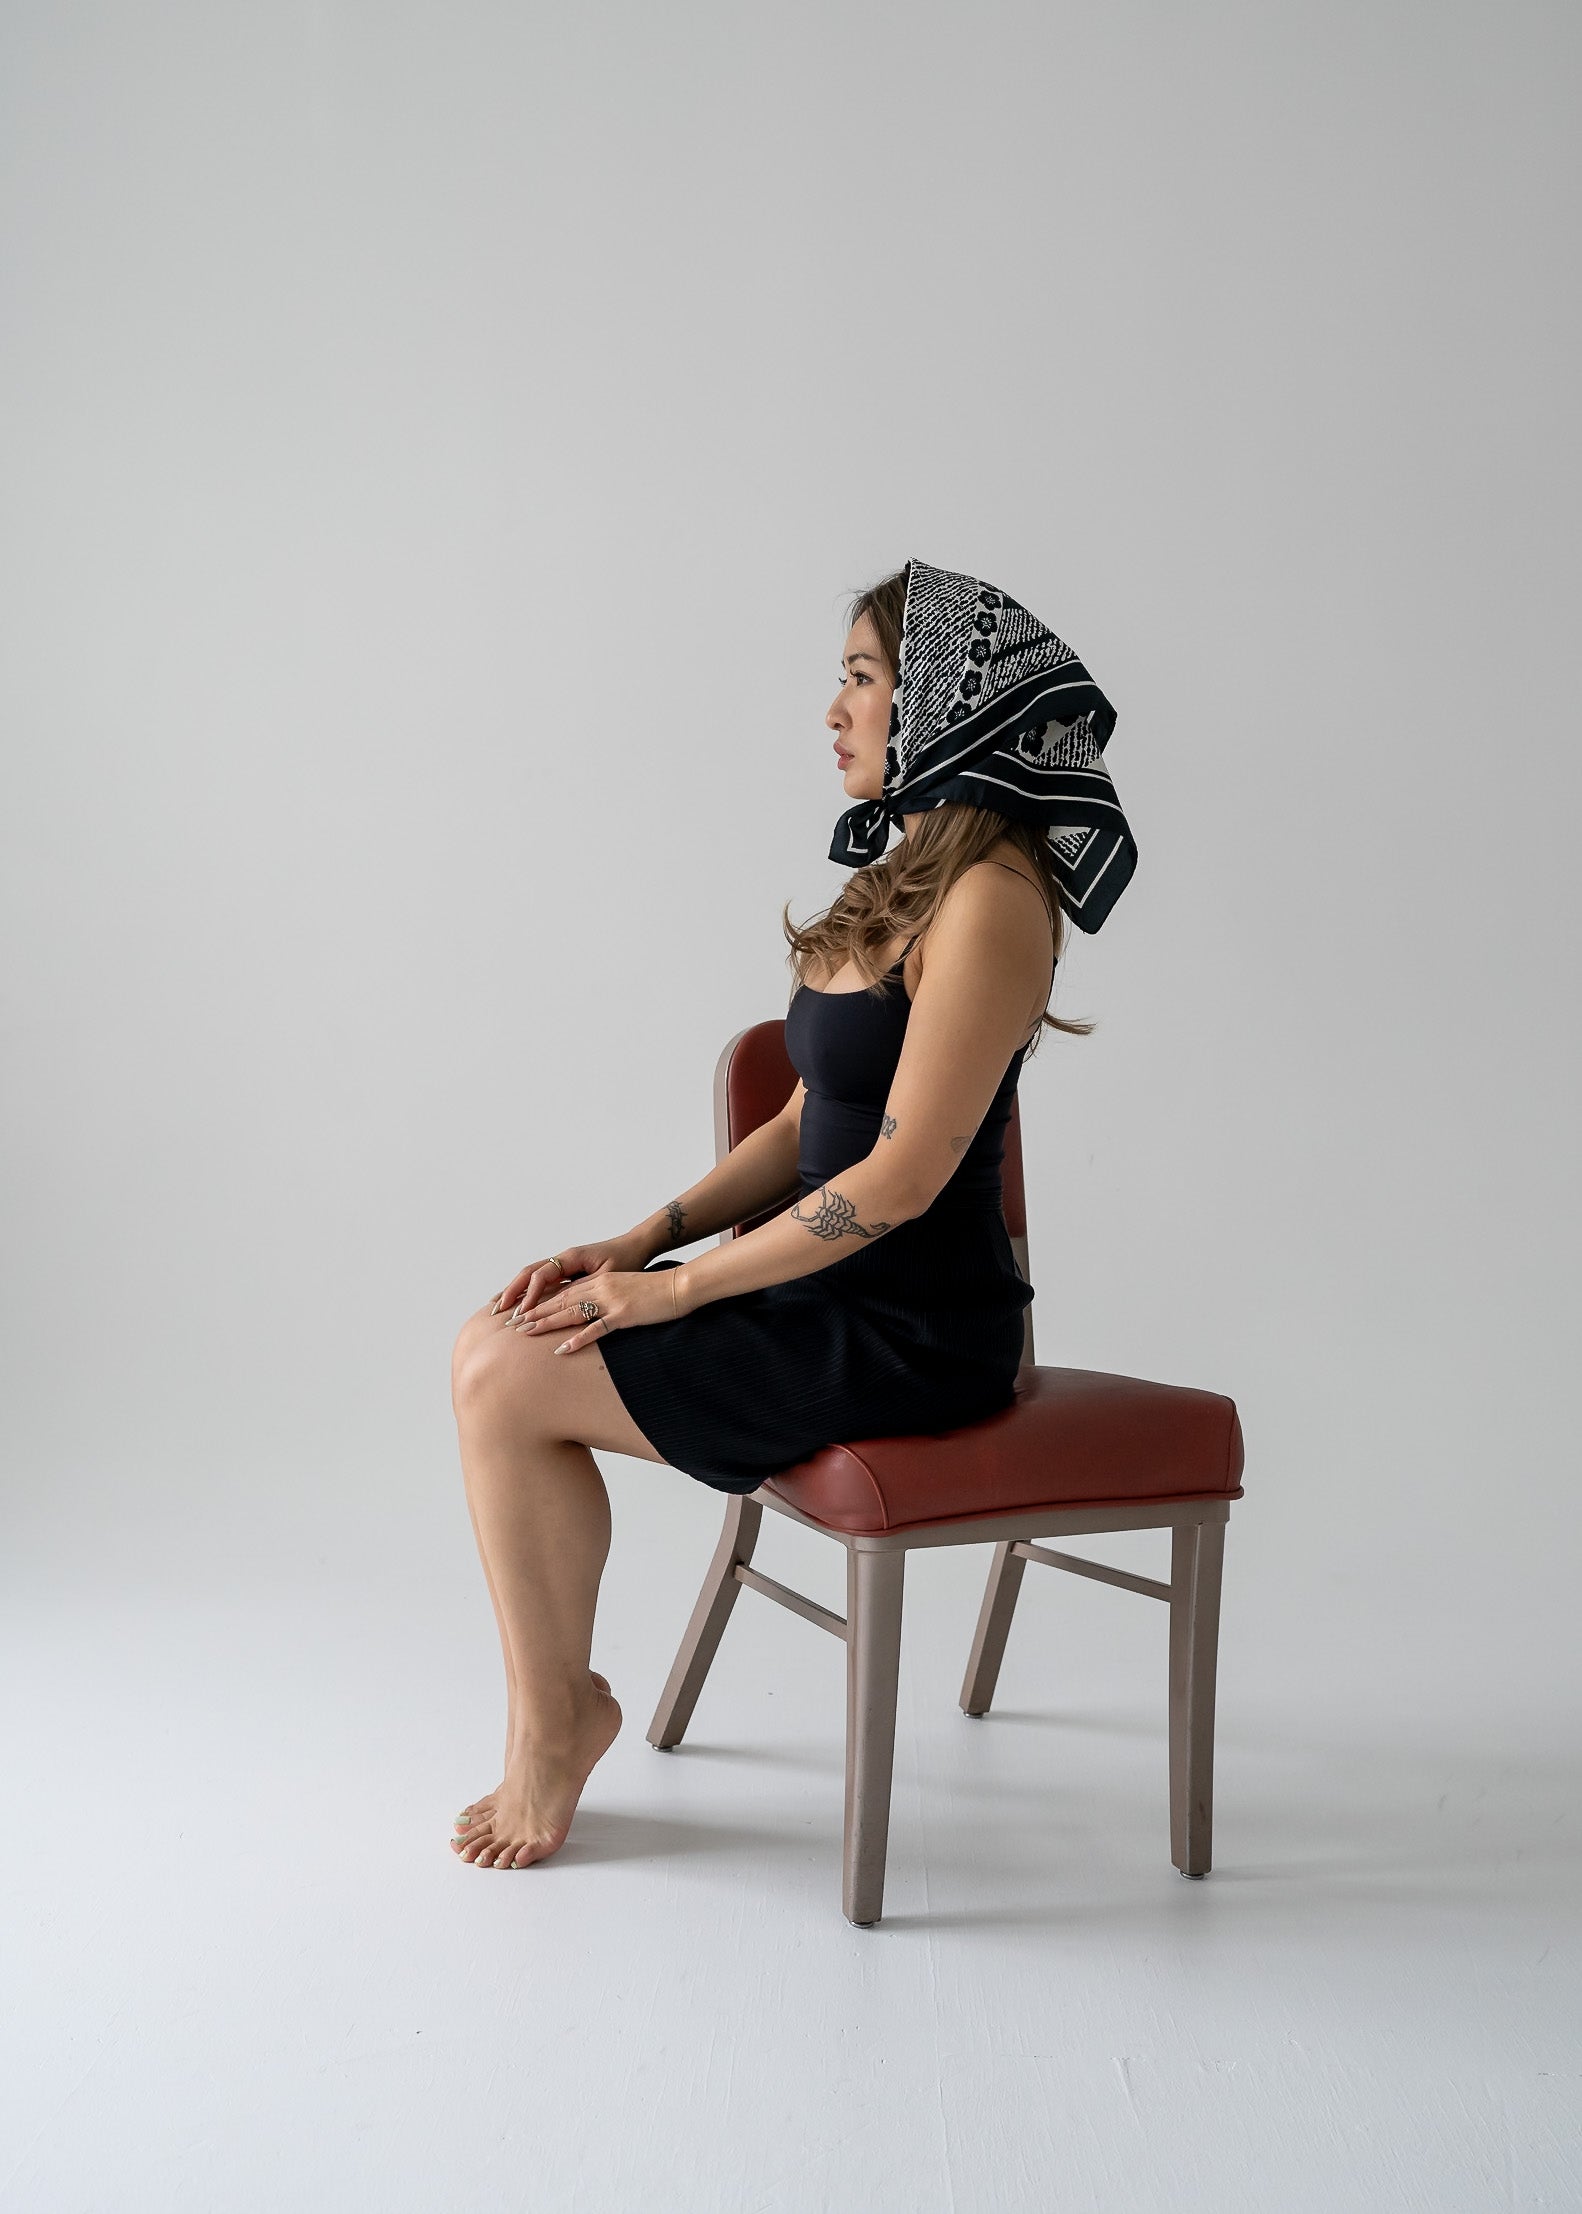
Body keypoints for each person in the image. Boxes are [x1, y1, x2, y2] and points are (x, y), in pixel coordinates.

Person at [447, 557, 1137, 1871]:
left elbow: (899, 1177)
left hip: (913, 1329)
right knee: (496, 1348)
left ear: (947, 704)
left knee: (509, 1377)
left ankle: (552, 1729)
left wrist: (680, 1290)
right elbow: (804, 1120)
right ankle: (559, 1709)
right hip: (825, 1293)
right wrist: (638, 1238)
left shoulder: (989, 902)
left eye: (865, 680)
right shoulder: (902, 881)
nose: (835, 710)